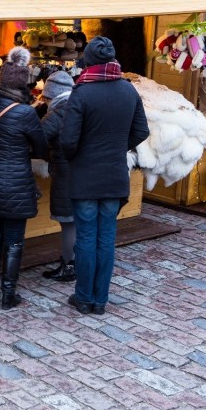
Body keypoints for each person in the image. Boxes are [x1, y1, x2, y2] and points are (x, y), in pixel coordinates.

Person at [60, 36, 149, 315]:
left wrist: (81, 156)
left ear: (88, 60)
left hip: (86, 177)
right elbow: (141, 131)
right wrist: (116, 148)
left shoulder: (82, 92)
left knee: (86, 237)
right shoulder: (128, 90)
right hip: (114, 175)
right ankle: (100, 301)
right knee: (106, 238)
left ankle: (84, 298)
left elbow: (68, 140)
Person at [0, 46, 48, 310]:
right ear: (24, 83)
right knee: (15, 237)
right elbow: (40, 148)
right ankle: (9, 293)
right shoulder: (26, 113)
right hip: (15, 181)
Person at [38, 70, 76, 282]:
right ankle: (75, 262)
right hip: (82, 171)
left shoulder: (58, 112)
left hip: (65, 173)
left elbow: (39, 137)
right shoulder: (79, 105)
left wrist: (45, 155)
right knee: (77, 221)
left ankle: (69, 266)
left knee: (68, 222)